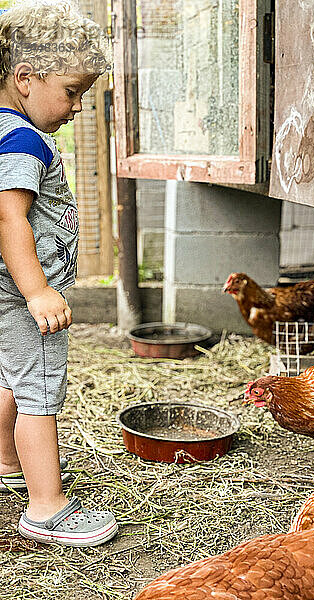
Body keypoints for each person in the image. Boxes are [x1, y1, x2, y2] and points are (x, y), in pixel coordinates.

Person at [0, 0, 117, 546]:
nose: (75, 107)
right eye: (71, 91)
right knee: (40, 393)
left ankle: (7, 465)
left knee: (11, 382)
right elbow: (9, 215)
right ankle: (47, 508)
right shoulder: (22, 140)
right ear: (26, 78)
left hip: (6, 294)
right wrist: (39, 291)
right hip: (22, 297)